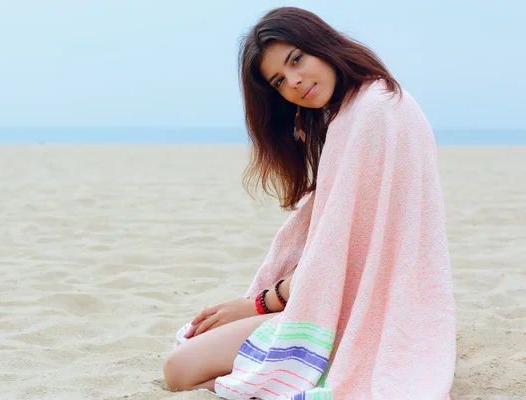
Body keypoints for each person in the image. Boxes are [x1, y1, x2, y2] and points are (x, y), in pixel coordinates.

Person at [163, 6, 456, 400]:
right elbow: (340, 248)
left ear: (323, 45)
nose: (295, 83)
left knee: (179, 368)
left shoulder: (373, 111)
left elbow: (342, 255)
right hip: (345, 301)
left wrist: (261, 303)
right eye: (280, 80)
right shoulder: (359, 108)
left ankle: (263, 385)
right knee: (192, 350)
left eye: (296, 59)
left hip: (355, 315)